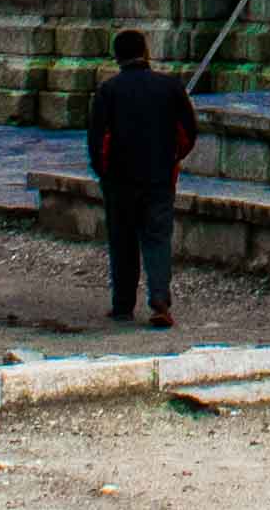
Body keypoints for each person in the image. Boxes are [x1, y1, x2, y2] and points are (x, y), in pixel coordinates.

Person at [86, 25, 199, 328]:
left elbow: (96, 142)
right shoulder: (170, 86)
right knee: (158, 239)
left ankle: (123, 305)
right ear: (146, 53)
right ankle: (160, 300)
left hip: (120, 180)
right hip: (159, 177)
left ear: (117, 57)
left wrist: (105, 174)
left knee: (122, 241)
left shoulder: (108, 91)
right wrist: (173, 159)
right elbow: (189, 132)